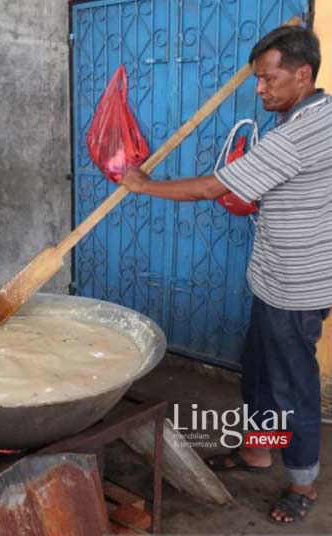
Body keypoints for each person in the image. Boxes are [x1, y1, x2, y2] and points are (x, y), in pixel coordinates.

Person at [121, 25, 332, 524]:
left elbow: (211, 189)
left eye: (267, 78)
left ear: (303, 75)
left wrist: (144, 185)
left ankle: (302, 481)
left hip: (296, 286)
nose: (259, 89)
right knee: (257, 372)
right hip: (275, 277)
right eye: (257, 79)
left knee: (291, 385)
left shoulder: (303, 133)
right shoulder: (315, 116)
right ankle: (260, 452)